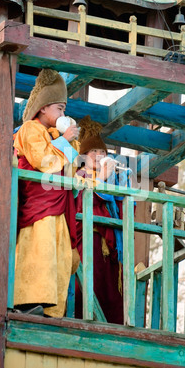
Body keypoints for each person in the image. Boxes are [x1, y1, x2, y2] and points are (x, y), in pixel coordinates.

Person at [13, 68, 80, 318]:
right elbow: (45, 162)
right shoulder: (30, 129)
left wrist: (70, 142)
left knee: (59, 254)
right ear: (43, 108)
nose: (63, 113)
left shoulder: (54, 134)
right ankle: (26, 300)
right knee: (39, 249)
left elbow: (67, 168)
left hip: (57, 203)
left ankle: (52, 307)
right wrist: (64, 140)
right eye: (60, 108)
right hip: (39, 202)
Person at [74, 116, 130, 324]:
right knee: (88, 286)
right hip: (89, 241)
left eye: (102, 152)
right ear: (84, 156)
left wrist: (118, 183)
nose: (98, 156)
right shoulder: (78, 176)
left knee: (112, 292)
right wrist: (102, 179)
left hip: (111, 246)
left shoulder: (111, 178)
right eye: (93, 152)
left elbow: (122, 210)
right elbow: (83, 203)